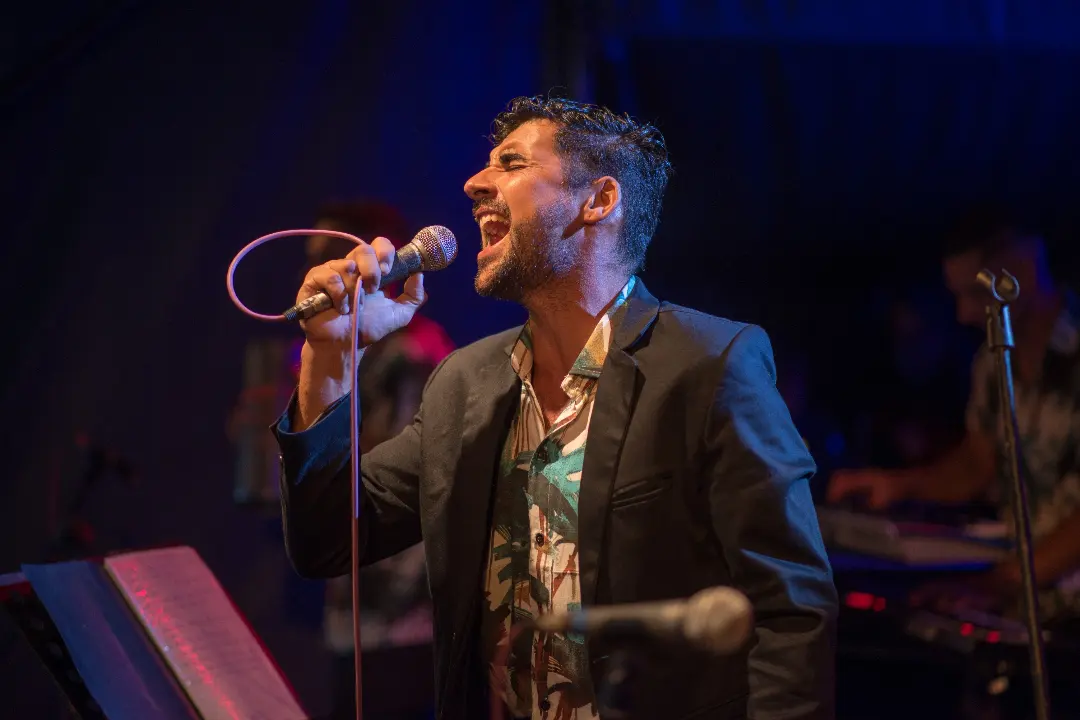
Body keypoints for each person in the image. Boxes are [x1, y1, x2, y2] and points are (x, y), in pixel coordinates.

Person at [272, 96, 837, 720]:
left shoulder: (709, 363)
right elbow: (328, 540)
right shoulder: (464, 384)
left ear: (598, 200)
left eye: (511, 163)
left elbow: (791, 608)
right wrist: (332, 356)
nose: (474, 183)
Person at [829, 208, 1080, 618]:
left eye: (976, 293)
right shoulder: (992, 363)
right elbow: (977, 464)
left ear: (1024, 268)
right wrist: (899, 485)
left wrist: (1003, 580)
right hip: (1029, 603)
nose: (964, 313)